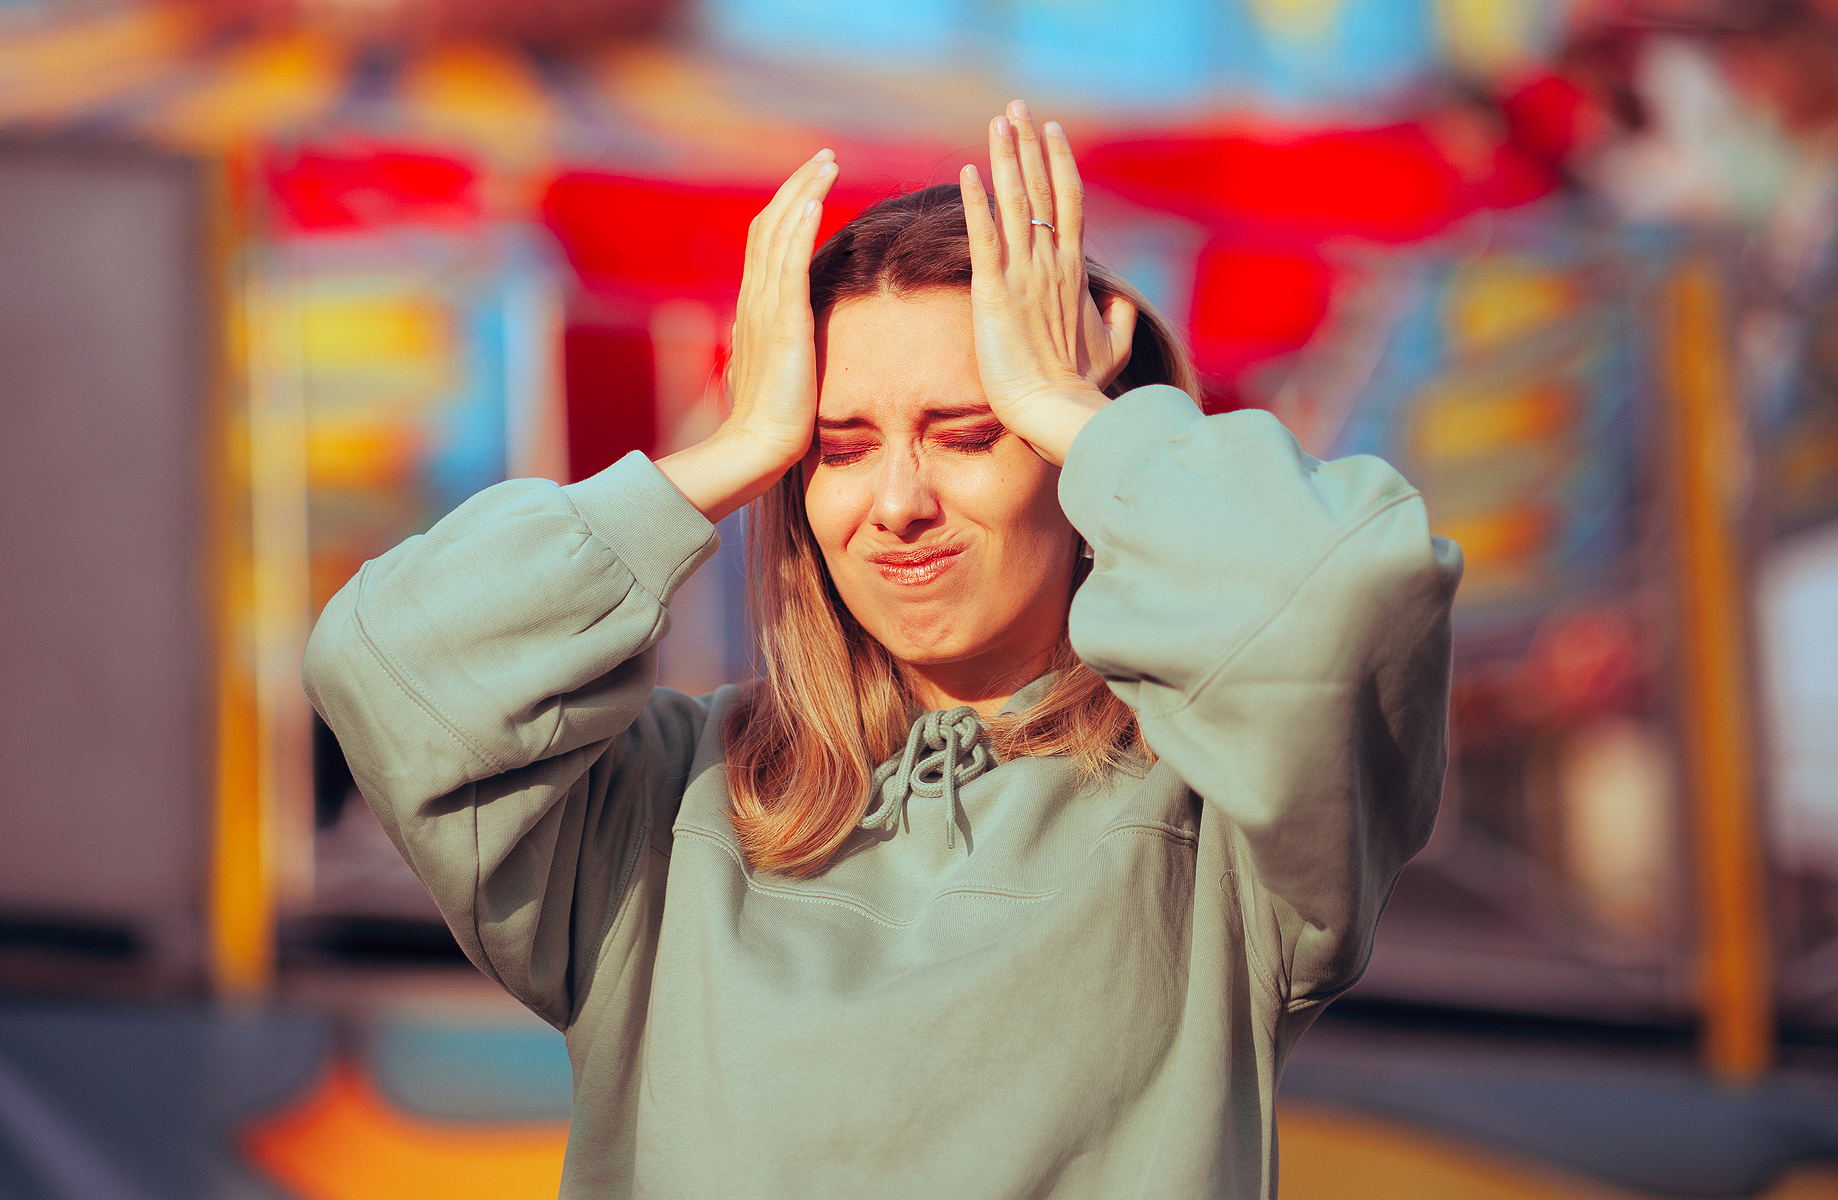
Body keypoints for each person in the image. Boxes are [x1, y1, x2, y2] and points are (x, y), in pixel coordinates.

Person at [303, 100, 1462, 1199]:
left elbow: (1341, 591)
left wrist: (1072, 407)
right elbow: (384, 663)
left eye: (969, 434)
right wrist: (730, 446)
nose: (897, 502)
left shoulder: (1226, 817)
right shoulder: (661, 803)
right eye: (840, 448)